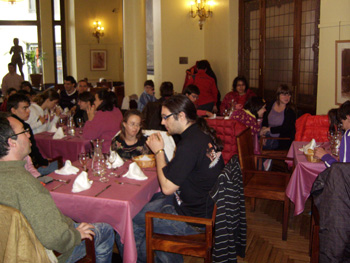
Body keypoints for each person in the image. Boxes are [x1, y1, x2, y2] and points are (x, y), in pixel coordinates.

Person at [116, 94, 225, 262]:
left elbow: (167, 188)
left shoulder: (189, 145)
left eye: (165, 117)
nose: (162, 122)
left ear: (181, 116)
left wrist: (158, 151)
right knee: (139, 207)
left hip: (193, 219)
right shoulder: (200, 134)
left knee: (127, 221)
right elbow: (176, 172)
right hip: (196, 205)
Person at [0, 113, 115, 262]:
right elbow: (54, 239)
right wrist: (75, 235)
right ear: (12, 142)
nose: (29, 134)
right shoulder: (25, 184)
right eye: (24, 131)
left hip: (9, 250)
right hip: (39, 254)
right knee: (104, 229)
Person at [7, 93, 58, 175]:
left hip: (16, 168)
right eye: (25, 108)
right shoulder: (23, 127)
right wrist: (43, 162)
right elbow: (33, 150)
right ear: (13, 110)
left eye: (28, 108)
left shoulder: (5, 125)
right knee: (60, 164)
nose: (29, 111)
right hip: (26, 169)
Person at [82, 88, 123, 153]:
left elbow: (88, 136)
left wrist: (90, 119)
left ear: (102, 101)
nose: (94, 102)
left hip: (105, 151)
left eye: (95, 100)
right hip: (118, 148)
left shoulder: (102, 114)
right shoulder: (117, 110)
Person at [260, 84, 296, 150]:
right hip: (268, 135)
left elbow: (285, 129)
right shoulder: (272, 104)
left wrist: (269, 129)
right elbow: (265, 119)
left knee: (258, 147)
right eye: (284, 94)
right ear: (278, 95)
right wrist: (263, 134)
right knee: (254, 139)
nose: (287, 97)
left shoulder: (290, 110)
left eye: (288, 95)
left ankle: (264, 159)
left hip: (281, 139)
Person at [315, 101, 350, 167]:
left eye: (342, 120)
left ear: (348, 117)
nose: (342, 124)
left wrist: (324, 156)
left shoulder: (348, 135)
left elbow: (343, 169)